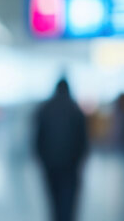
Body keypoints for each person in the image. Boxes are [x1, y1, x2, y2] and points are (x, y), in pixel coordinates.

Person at [34, 78, 89, 221]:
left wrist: (42, 159)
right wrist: (79, 160)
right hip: (70, 165)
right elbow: (83, 140)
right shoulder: (75, 109)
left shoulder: (45, 108)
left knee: (54, 200)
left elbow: (38, 138)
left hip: (50, 164)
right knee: (68, 200)